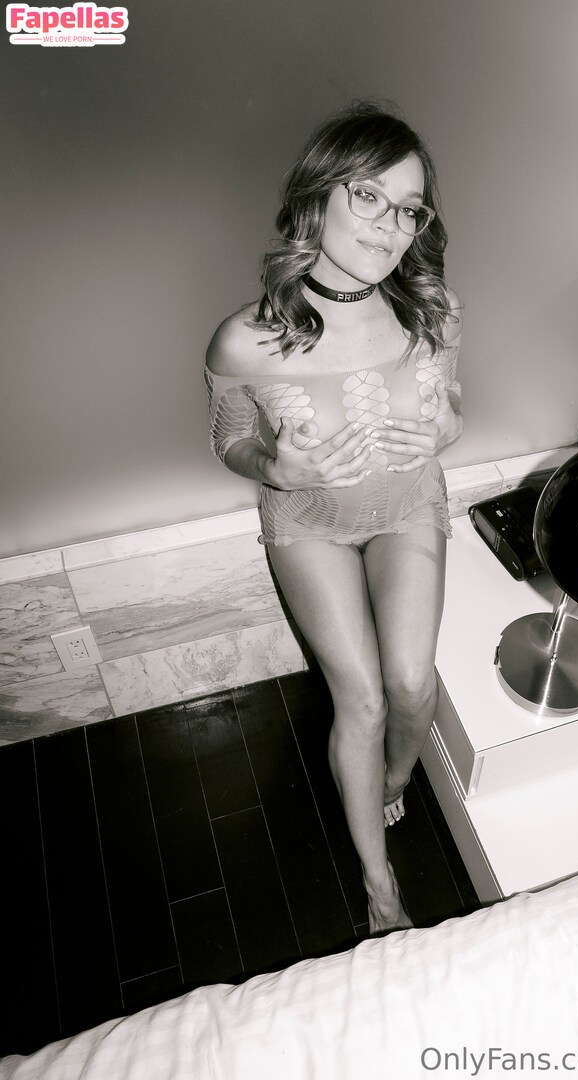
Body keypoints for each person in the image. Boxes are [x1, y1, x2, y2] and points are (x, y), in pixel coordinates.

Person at [205, 102, 462, 934]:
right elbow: (230, 439)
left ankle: (393, 779)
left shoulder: (431, 308)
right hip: (308, 522)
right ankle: (380, 887)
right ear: (318, 195)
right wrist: (274, 466)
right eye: (369, 196)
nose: (391, 227)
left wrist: (445, 429)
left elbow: (453, 407)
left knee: (412, 685)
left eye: (410, 209)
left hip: (407, 506)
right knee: (361, 698)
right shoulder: (245, 339)